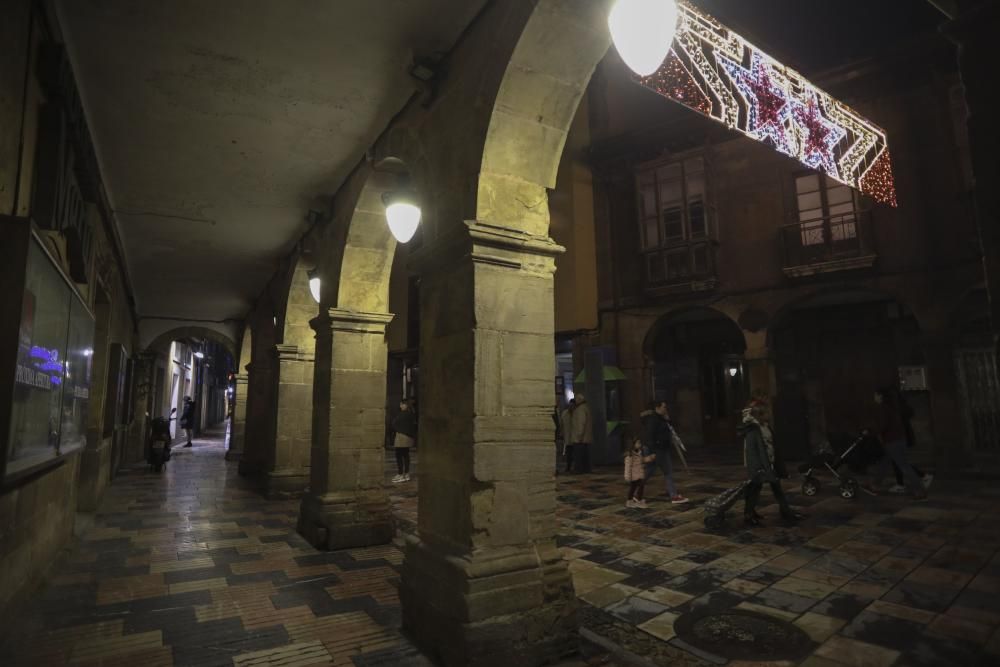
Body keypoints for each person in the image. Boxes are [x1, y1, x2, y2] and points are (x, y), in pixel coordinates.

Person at [740, 400, 805, 525]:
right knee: (754, 489)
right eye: (767, 412)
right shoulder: (752, 430)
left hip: (770, 462)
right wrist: (758, 468)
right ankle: (748, 514)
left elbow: (771, 444)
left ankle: (785, 511)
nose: (769, 414)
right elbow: (752, 451)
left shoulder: (765, 426)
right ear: (760, 414)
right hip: (759, 465)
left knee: (777, 487)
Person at [865, 386, 927, 500]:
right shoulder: (891, 407)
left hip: (892, 441)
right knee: (884, 463)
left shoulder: (884, 409)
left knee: (903, 465)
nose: (874, 397)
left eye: (875, 395)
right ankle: (875, 484)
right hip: (897, 440)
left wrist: (870, 431)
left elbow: (882, 425)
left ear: (880, 396)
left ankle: (920, 490)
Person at [640, 400, 689, 504]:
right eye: (664, 407)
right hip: (657, 449)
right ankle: (674, 496)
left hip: (661, 449)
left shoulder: (661, 418)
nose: (665, 409)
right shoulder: (653, 420)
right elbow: (650, 437)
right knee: (661, 472)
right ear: (657, 408)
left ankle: (636, 493)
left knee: (655, 471)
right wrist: (653, 452)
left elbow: (668, 429)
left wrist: (668, 420)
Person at [889, 393, 933, 493]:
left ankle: (922, 477)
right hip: (901, 437)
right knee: (898, 461)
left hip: (898, 438)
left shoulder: (895, 409)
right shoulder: (900, 408)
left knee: (900, 461)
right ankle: (901, 483)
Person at [624, 436, 655, 508]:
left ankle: (631, 501)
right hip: (633, 476)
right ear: (633, 444)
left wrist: (650, 458)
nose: (639, 445)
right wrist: (628, 477)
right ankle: (638, 500)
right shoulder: (630, 455)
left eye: (640, 443)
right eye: (638, 443)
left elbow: (642, 460)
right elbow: (628, 467)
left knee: (633, 488)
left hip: (639, 474)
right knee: (639, 486)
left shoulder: (639, 453)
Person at [391, 399, 416, 483]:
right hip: (406, 436)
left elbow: (395, 423)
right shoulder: (410, 414)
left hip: (402, 436)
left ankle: (401, 474)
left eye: (402, 404)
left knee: (399, 455)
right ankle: (405, 474)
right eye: (400, 404)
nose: (400, 406)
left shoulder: (405, 414)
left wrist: (397, 429)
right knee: (405, 455)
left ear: (406, 405)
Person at [570, 395, 593, 473]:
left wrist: (579, 435)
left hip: (580, 438)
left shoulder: (580, 410)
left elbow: (580, 423)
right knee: (586, 455)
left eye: (576, 400)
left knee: (579, 455)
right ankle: (586, 469)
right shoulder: (586, 408)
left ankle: (579, 469)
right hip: (585, 438)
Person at [559, 399, 576, 474]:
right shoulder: (564, 413)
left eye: (572, 405)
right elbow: (562, 424)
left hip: (575, 438)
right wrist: (562, 433)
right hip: (568, 437)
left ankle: (573, 467)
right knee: (568, 453)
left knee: (574, 453)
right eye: (570, 405)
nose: (571, 407)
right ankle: (568, 467)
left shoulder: (576, 413)